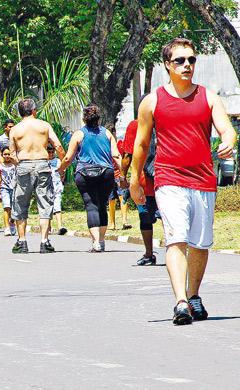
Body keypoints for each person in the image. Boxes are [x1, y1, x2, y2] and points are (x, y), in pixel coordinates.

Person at [130, 38, 237, 325]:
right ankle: (179, 302)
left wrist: (229, 141)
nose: (187, 65)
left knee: (200, 243)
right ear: (167, 64)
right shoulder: (152, 101)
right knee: (176, 238)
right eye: (180, 60)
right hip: (169, 178)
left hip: (203, 179)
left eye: (191, 60)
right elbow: (141, 145)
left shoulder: (209, 97)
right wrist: (135, 180)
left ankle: (193, 296)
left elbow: (226, 129)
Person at [59, 104, 122, 252]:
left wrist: (60, 169)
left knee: (91, 206)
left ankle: (96, 243)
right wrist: (123, 173)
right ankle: (102, 240)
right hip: (106, 173)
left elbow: (68, 157)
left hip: (85, 174)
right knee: (102, 205)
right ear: (98, 118)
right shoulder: (107, 133)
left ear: (84, 118)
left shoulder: (79, 134)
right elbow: (116, 155)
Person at [10, 99, 65, 254]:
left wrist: (20, 165)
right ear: (34, 110)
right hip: (42, 164)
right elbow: (58, 146)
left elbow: (12, 155)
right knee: (45, 202)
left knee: (20, 203)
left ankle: (22, 242)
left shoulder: (15, 129)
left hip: (24, 164)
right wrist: (62, 165)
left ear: (20, 113)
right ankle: (44, 241)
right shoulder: (44, 125)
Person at [122, 98, 160, 265]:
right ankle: (178, 252)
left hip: (144, 183)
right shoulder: (165, 124)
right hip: (166, 179)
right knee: (170, 219)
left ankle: (149, 253)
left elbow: (127, 155)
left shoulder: (134, 125)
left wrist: (123, 176)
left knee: (145, 218)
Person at [47, 144, 67, 236]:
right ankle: (48, 227)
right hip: (46, 188)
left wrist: (62, 177)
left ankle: (60, 226)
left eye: (52, 152)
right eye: (49, 152)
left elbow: (62, 172)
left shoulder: (58, 161)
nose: (51, 154)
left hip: (56, 186)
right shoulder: (44, 162)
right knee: (47, 208)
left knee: (57, 206)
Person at [0, 148, 17, 236]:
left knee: (13, 209)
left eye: (9, 154)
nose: (7, 156)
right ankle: (7, 227)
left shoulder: (15, 165)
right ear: (2, 155)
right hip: (4, 188)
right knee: (6, 207)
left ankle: (12, 222)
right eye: (5, 154)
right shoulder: (0, 166)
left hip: (14, 188)